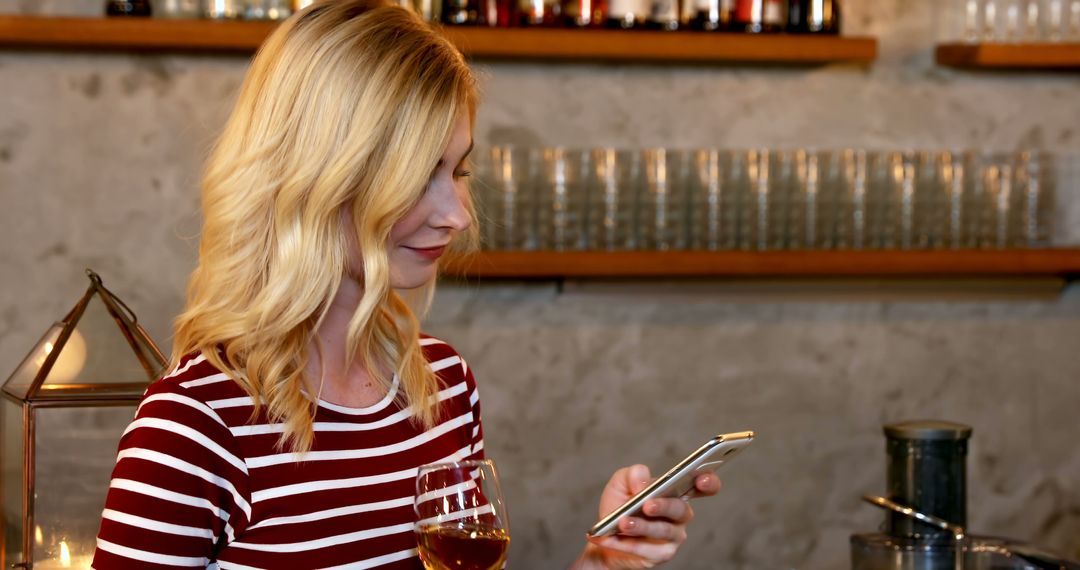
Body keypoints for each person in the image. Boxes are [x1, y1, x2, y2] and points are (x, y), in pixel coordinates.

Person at [93, 1, 721, 568]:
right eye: (420, 175)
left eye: (460, 170)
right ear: (315, 176)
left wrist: (603, 565)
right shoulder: (192, 430)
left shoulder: (445, 386)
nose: (458, 214)